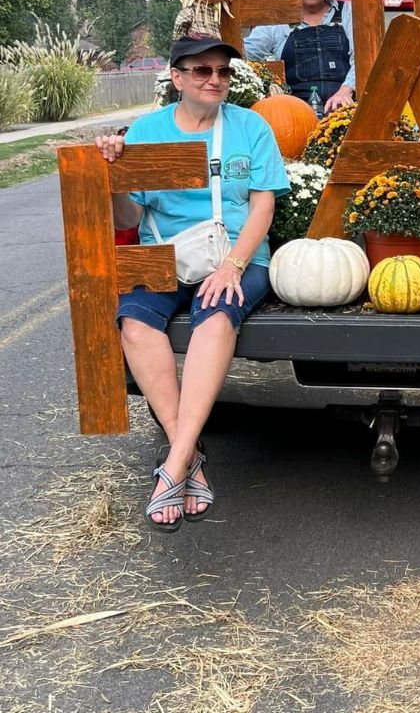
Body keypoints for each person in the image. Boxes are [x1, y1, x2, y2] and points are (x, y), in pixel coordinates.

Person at [96, 32, 290, 532]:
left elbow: (263, 206)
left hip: (238, 256)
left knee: (215, 315)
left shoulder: (252, 126)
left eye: (223, 71)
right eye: (202, 71)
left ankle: (174, 465)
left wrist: (233, 267)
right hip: (165, 253)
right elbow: (129, 213)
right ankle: (191, 458)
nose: (215, 79)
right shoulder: (145, 131)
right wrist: (113, 174)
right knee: (135, 324)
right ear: (177, 78)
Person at [244, 0, 355, 113]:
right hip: (294, 114)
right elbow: (246, 54)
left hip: (347, 111)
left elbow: (362, 56)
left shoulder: (349, 13)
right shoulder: (276, 19)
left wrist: (345, 90)